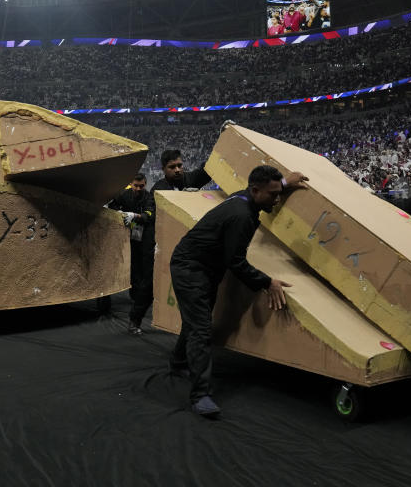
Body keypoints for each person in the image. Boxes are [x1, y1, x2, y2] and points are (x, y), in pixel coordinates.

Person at [169, 165, 308, 418]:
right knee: (201, 328)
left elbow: (266, 190)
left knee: (194, 321)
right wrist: (268, 282)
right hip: (190, 268)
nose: (277, 199)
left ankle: (179, 363)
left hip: (204, 267)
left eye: (279, 193)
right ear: (255, 190)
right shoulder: (241, 215)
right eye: (273, 195)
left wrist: (286, 184)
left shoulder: (245, 197)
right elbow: (236, 262)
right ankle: (200, 395)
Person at [108, 174, 156, 335]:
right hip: (127, 232)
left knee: (140, 265)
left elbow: (149, 216)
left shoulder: (149, 197)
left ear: (145, 184)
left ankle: (136, 295)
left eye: (141, 186)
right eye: (136, 185)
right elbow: (112, 207)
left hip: (143, 235)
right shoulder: (124, 194)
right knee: (129, 263)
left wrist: (134, 217)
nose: (138, 189)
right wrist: (121, 215)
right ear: (130, 184)